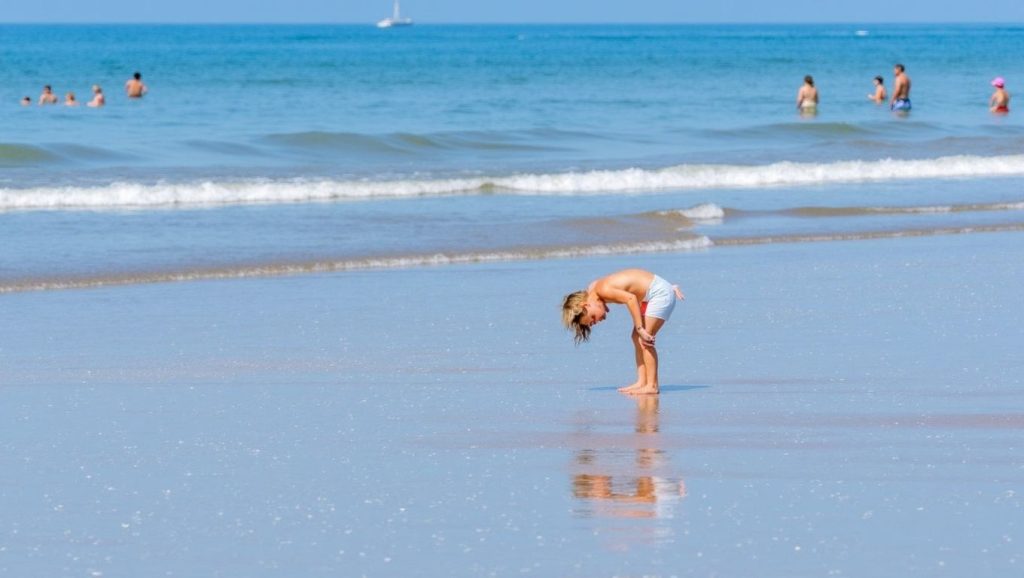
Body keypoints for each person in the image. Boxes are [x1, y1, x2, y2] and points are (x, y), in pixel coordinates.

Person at [562, 269, 685, 396]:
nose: (597, 321)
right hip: (651, 293)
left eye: (593, 318)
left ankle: (652, 385)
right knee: (635, 337)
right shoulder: (593, 290)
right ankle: (642, 382)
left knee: (645, 340)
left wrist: (640, 328)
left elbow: (631, 298)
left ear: (585, 305)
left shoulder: (603, 290)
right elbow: (630, 284)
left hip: (659, 294)